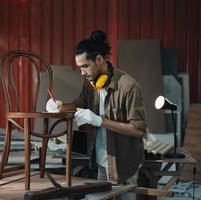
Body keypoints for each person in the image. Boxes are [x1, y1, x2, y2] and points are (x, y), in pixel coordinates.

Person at [46, 30, 147, 199]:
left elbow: (138, 130)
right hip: (101, 161)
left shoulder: (128, 86)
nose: (82, 73)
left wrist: (99, 120)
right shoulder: (90, 84)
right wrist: (60, 106)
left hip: (124, 164)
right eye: (79, 68)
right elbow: (78, 105)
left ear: (100, 59)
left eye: (85, 66)